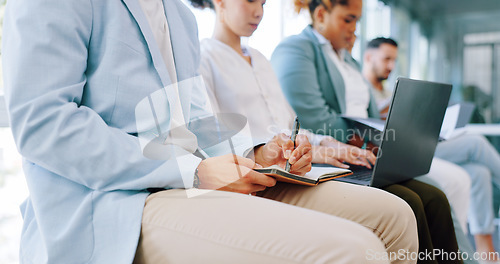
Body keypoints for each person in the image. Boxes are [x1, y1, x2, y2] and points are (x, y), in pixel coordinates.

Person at [2, 0, 417, 263]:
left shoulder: (178, 14)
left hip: (187, 182)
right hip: (110, 202)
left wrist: (255, 155)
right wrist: (192, 171)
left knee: (395, 216)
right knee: (348, 251)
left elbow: (194, 124)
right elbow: (44, 125)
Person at [271, 0, 465, 263]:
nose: (355, 29)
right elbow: (315, 119)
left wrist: (389, 134)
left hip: (365, 151)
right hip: (334, 155)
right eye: (348, 19)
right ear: (320, 14)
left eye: (357, 21)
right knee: (414, 201)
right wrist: (365, 140)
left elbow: (371, 114)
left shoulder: (347, 59)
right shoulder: (296, 49)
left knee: (436, 197)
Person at [363, 37, 500, 262]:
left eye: (394, 60)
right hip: (400, 147)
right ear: (369, 57)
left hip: (417, 139)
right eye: (386, 58)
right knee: (475, 142)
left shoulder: (389, 91)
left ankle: (483, 250)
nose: (391, 66)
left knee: (479, 172)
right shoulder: (361, 89)